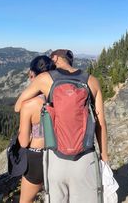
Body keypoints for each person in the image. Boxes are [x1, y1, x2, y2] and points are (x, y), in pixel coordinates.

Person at [15, 49, 108, 203]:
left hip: (55, 157)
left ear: (55, 58)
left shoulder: (45, 79)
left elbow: (18, 106)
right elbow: (101, 123)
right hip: (85, 156)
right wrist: (104, 157)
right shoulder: (92, 81)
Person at [18, 55, 55, 203]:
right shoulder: (59, 96)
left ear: (32, 74)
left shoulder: (29, 105)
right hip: (59, 153)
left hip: (36, 156)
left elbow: (23, 142)